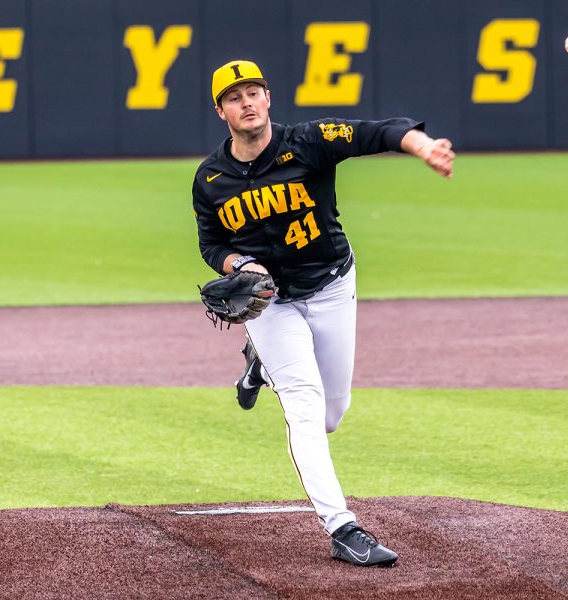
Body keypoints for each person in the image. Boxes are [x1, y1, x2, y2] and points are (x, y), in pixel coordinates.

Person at [192, 60, 454, 567]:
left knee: (332, 414)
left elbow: (374, 132)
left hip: (332, 285)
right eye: (234, 96)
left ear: (268, 98)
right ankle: (343, 527)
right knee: (306, 409)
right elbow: (211, 244)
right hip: (269, 302)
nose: (246, 102)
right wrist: (237, 263)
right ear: (220, 110)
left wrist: (423, 146)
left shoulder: (308, 141)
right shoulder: (210, 178)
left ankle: (259, 364)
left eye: (253, 91)